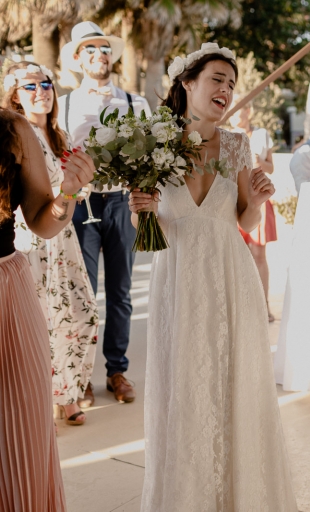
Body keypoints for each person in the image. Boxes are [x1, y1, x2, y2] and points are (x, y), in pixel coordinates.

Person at [128, 43, 296, 510]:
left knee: (234, 384)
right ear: (187, 83)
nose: (225, 89)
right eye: (216, 79)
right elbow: (151, 234)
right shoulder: (152, 145)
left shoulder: (238, 144)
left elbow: (242, 222)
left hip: (230, 277)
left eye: (231, 84)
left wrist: (258, 200)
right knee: (184, 385)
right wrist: (140, 212)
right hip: (177, 279)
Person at [0, 108, 95, 511]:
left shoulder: (11, 127)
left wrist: (69, 192)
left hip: (6, 290)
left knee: (22, 428)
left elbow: (42, 220)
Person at [58, 21, 152, 404]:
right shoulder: (63, 105)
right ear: (79, 59)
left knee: (121, 292)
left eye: (105, 48)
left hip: (119, 202)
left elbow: (147, 153)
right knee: (82, 294)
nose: (100, 55)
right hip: (80, 206)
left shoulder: (136, 103)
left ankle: (117, 370)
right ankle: (80, 376)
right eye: (91, 49)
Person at [3, 62, 99, 425]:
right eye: (30, 87)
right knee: (41, 321)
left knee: (80, 312)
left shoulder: (61, 136)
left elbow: (75, 188)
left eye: (46, 84)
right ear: (14, 95)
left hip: (66, 239)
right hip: (32, 241)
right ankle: (46, 399)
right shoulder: (14, 135)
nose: (41, 91)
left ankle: (68, 391)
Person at [229, 95, 278, 322]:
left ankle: (263, 306)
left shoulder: (261, 134)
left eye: (240, 109)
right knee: (237, 254)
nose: (236, 113)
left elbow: (271, 167)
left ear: (248, 111)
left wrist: (260, 161)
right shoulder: (225, 135)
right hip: (233, 198)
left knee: (259, 253)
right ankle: (241, 307)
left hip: (258, 196)